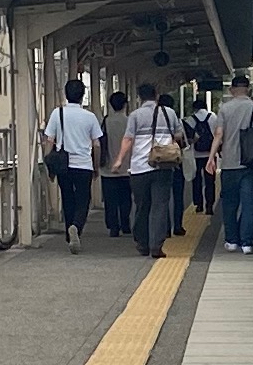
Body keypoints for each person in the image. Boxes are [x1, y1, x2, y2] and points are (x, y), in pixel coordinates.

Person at [119, 82, 186, 259]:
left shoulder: (134, 115)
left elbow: (128, 139)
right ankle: (157, 245)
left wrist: (119, 160)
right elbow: (179, 136)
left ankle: (142, 243)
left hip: (140, 167)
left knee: (141, 206)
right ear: (156, 95)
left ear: (139, 97)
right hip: (164, 165)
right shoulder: (169, 113)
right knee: (160, 206)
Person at [43, 78, 103, 253]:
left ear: (66, 94)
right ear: (83, 96)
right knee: (83, 199)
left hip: (63, 165)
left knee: (68, 198)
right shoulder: (90, 117)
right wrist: (96, 166)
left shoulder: (57, 113)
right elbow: (97, 145)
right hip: (84, 165)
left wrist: (50, 165)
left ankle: (70, 234)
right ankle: (76, 226)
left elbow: (49, 141)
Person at [209, 73, 253, 253]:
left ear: (232, 89)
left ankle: (231, 240)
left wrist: (211, 158)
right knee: (249, 203)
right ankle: (247, 243)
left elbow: (219, 135)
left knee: (229, 203)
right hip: (250, 164)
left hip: (229, 164)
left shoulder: (225, 109)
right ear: (248, 89)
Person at [101, 90, 132, 237]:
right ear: (125, 104)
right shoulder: (130, 121)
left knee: (110, 200)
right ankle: (125, 224)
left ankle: (113, 227)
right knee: (126, 198)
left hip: (108, 168)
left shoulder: (106, 121)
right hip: (127, 167)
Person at [188, 98, 217, 215]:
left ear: (195, 108)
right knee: (210, 181)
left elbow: (188, 138)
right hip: (210, 154)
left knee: (197, 180)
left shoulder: (190, 119)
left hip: (195, 154)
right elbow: (218, 135)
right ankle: (209, 205)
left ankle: (198, 204)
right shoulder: (213, 117)